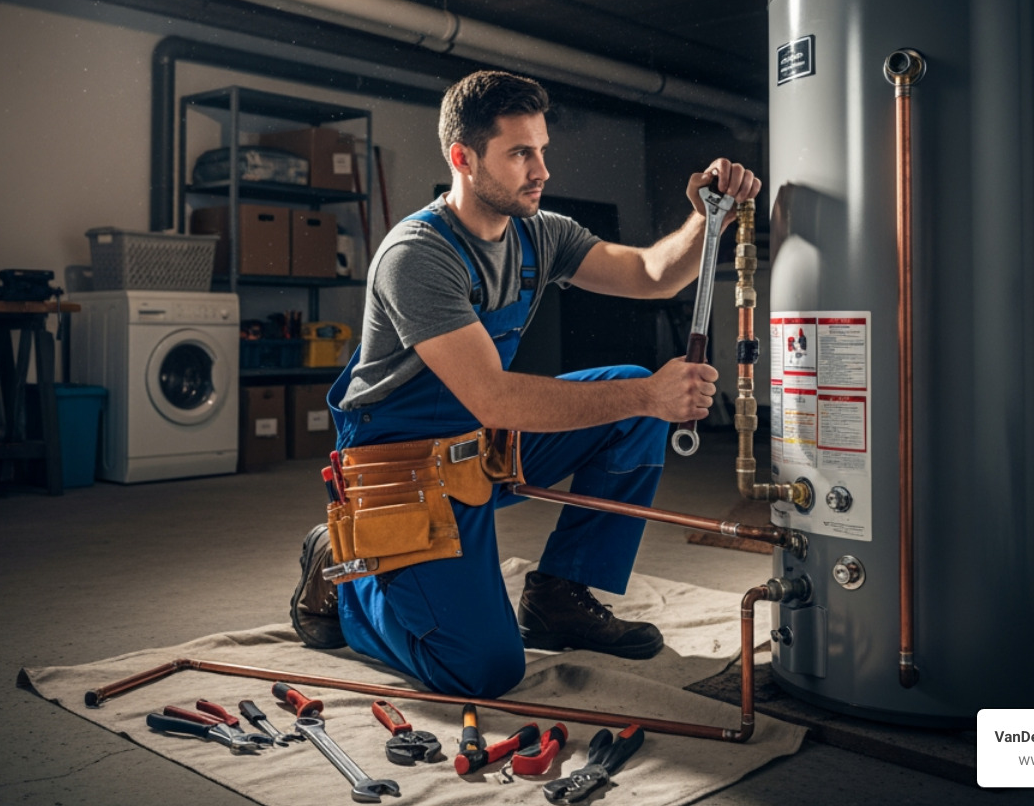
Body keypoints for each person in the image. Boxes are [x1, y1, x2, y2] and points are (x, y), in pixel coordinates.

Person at [290, 69, 760, 699]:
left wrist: (706, 218)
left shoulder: (539, 233)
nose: (541, 170)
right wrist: (653, 394)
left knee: (628, 400)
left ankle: (558, 597)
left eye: (541, 150)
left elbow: (653, 274)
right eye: (519, 154)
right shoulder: (417, 256)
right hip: (405, 472)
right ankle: (347, 580)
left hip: (482, 446)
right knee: (483, 669)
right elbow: (495, 397)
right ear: (463, 158)